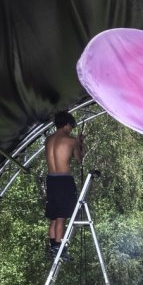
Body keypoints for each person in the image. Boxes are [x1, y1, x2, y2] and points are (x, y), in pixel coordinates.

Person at [44, 111, 85, 259]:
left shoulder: (48, 140)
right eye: (71, 126)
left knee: (54, 217)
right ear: (67, 124)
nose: (71, 129)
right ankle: (59, 249)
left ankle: (53, 247)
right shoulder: (70, 141)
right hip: (64, 180)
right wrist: (80, 143)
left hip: (51, 180)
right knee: (61, 217)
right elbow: (80, 159)